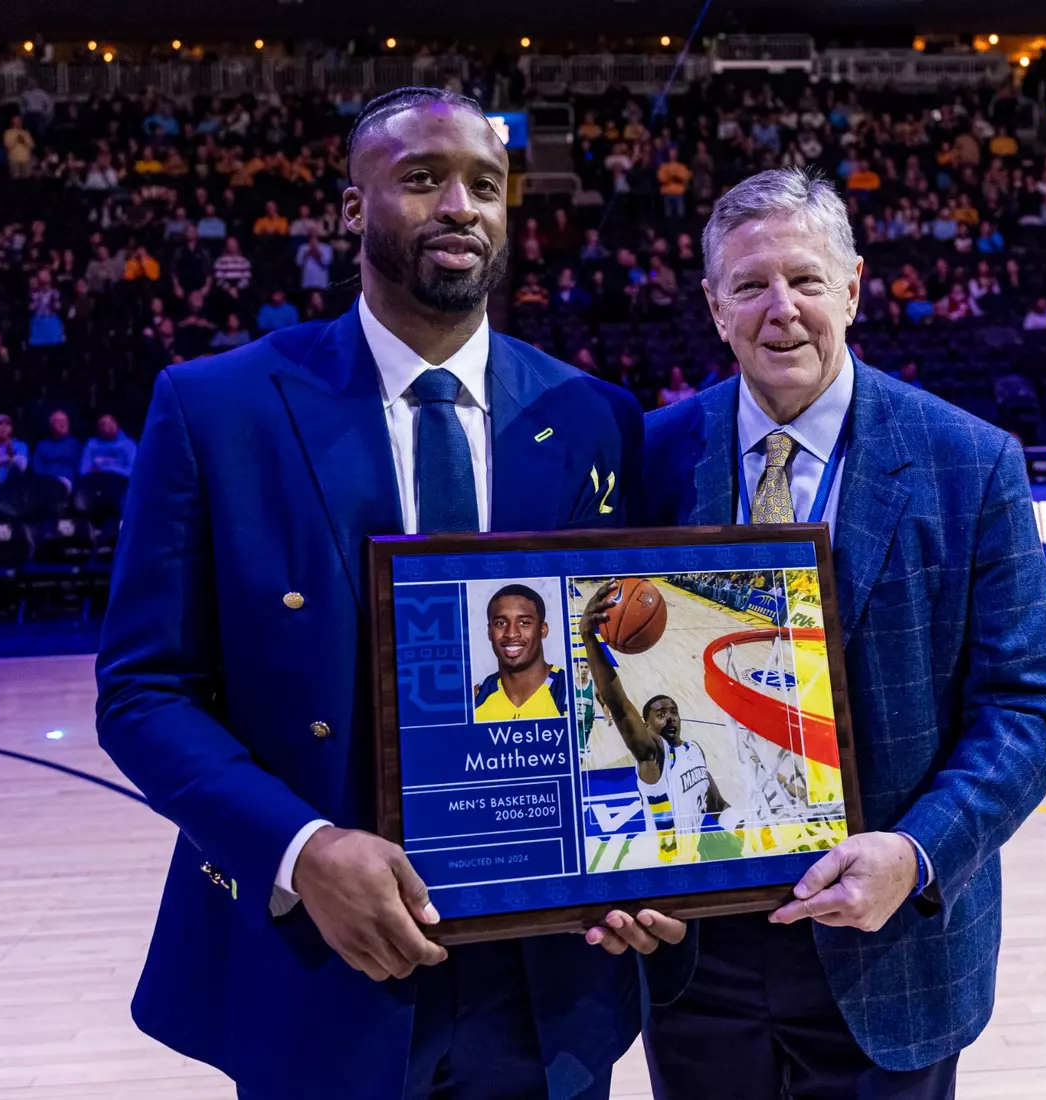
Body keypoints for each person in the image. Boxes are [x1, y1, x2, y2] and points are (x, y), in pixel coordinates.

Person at [93, 87, 645, 1100]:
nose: (460, 207)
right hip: (320, 957)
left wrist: (651, 855)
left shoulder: (596, 416)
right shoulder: (215, 406)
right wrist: (301, 851)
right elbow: (143, 690)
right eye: (423, 178)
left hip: (545, 974)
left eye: (486, 184)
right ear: (352, 209)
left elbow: (619, 671)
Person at [621, 168, 1046, 1099]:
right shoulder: (652, 455)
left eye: (805, 280)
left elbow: (1027, 711)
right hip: (701, 952)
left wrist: (914, 855)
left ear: (855, 287)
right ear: (713, 306)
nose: (780, 309)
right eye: (749, 285)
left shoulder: (970, 461)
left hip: (890, 939)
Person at [579, 579, 727, 866]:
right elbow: (621, 707)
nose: (669, 717)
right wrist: (588, 638)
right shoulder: (654, 756)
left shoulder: (695, 751)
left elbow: (717, 805)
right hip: (662, 865)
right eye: (660, 713)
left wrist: (746, 826)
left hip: (693, 863)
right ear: (645, 726)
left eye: (672, 711)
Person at [472, 584, 567, 722]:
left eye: (524, 623)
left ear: (543, 630)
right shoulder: (475, 698)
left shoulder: (567, 690)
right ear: (489, 632)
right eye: (500, 623)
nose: (511, 634)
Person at [32, 409, 82, 486]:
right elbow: (37, 467)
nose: (63, 424)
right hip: (47, 483)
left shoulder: (75, 444)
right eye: (58, 421)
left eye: (65, 421)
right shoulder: (42, 445)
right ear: (51, 425)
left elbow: (80, 467)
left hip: (70, 484)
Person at [79, 413, 138, 479]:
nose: (110, 426)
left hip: (120, 480)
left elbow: (133, 470)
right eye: (104, 424)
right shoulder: (91, 443)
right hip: (96, 479)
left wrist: (104, 469)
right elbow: (83, 470)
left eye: (112, 422)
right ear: (98, 428)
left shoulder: (128, 443)